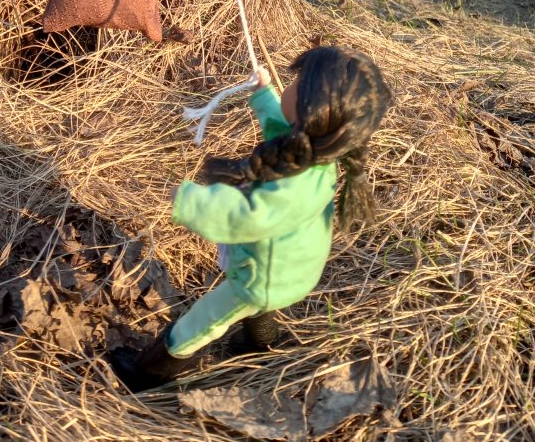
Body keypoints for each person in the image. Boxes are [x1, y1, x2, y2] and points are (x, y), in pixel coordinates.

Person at [110, 44, 391, 392]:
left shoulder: (296, 186)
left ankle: (147, 374)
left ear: (313, 110)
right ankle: (262, 342)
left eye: (298, 83)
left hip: (262, 280)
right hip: (288, 269)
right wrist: (263, 93)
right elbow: (280, 130)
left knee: (202, 321)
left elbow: (246, 216)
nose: (290, 85)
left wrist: (189, 200)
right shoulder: (314, 155)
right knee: (260, 308)